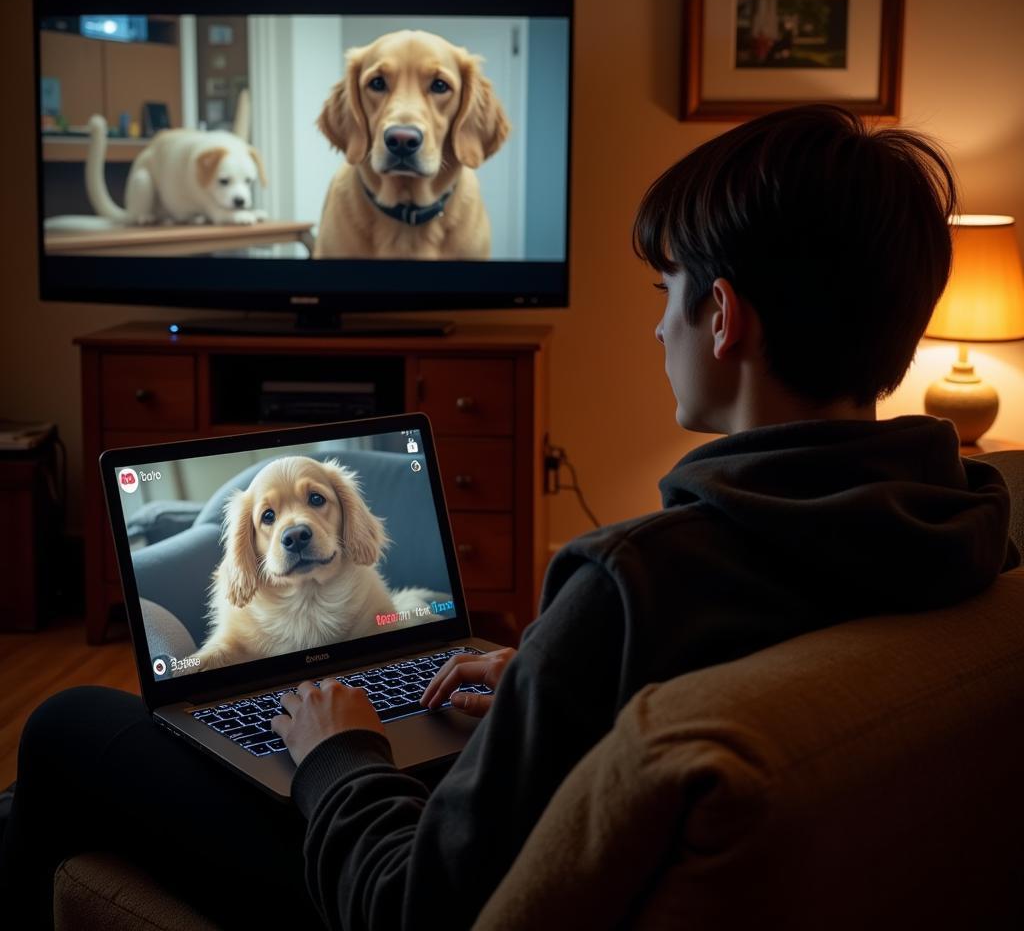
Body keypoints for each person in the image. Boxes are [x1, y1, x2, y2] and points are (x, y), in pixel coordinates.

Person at [2, 104, 1018, 930]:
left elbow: (409, 908)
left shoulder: (629, 583)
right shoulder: (970, 527)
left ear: (722, 318)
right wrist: (544, 677)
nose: (656, 320)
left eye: (666, 287)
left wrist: (339, 756)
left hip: (376, 875)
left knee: (67, 724)